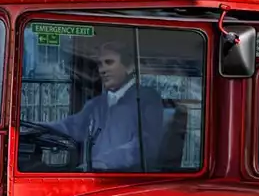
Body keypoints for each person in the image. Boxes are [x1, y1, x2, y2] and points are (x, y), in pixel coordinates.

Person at [32, 40, 163, 172]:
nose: (102, 70)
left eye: (109, 62)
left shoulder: (147, 99)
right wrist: (34, 128)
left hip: (129, 182)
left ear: (129, 66)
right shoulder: (96, 104)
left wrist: (103, 162)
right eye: (100, 64)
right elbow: (71, 126)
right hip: (95, 177)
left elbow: (145, 145)